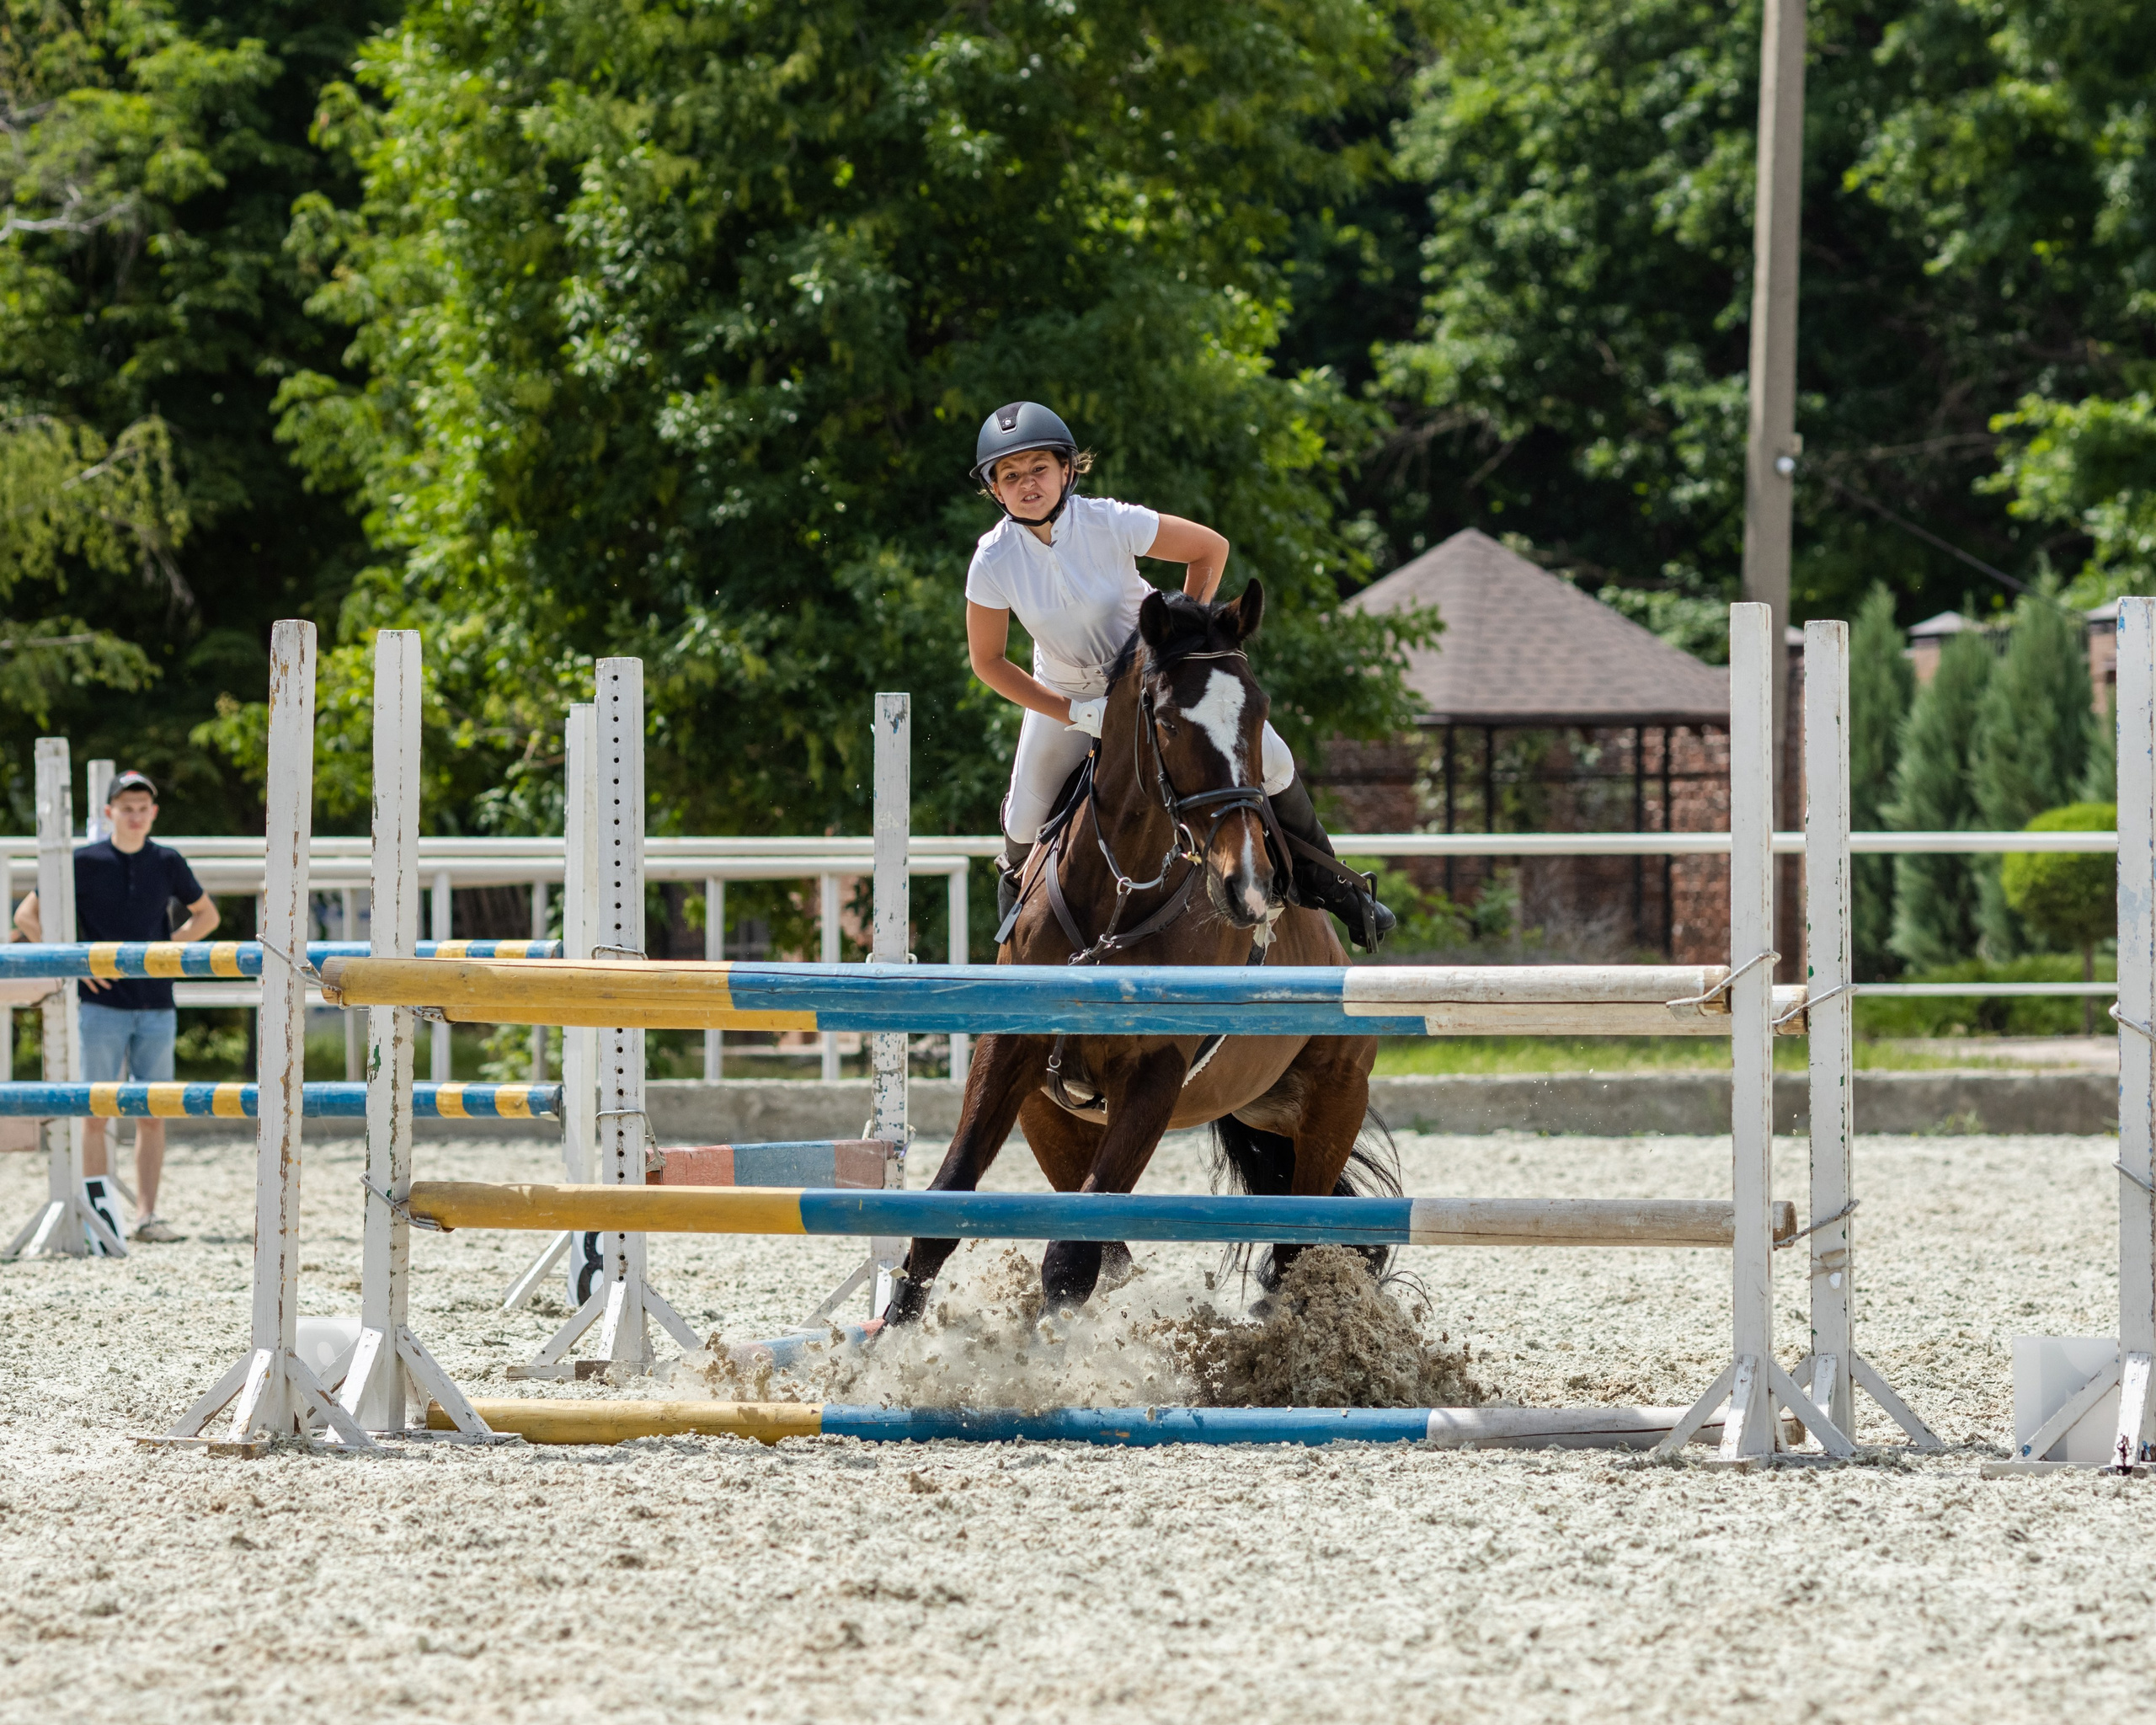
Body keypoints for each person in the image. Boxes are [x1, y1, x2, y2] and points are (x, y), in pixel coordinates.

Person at [963, 401, 1393, 948]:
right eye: (1011, 475)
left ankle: (1339, 890)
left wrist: (1178, 646)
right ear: (995, 489)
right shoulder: (993, 560)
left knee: (1276, 759)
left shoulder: (1109, 521)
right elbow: (989, 663)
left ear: (1067, 469)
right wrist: (1075, 712)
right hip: (1068, 696)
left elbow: (1211, 550)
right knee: (1023, 820)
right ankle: (1013, 940)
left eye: (1039, 469)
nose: (1028, 484)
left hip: (1153, 682)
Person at [14, 770, 219, 1242]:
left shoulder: (167, 860)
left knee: (154, 1111)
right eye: (126, 807)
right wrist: (75, 960)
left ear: (153, 813)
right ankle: (100, 1216)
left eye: (142, 807)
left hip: (156, 1003)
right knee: (96, 1112)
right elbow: (26, 915)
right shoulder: (84, 860)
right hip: (100, 1004)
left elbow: (206, 914)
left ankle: (147, 1216)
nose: (134, 815)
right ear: (109, 812)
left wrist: (170, 952)